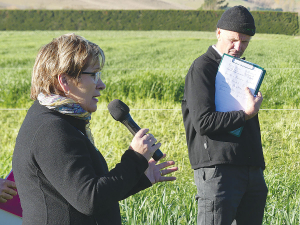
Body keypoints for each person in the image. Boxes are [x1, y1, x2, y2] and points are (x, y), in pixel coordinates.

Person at [12, 33, 178, 225]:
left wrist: (140, 176)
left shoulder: (60, 120)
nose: (101, 84)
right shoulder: (51, 130)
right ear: (64, 81)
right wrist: (134, 158)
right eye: (94, 75)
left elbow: (90, 193)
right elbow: (90, 200)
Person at [181, 5, 268, 225]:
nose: (238, 47)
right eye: (233, 39)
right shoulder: (202, 68)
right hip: (217, 171)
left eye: (245, 41)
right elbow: (203, 122)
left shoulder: (244, 70)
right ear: (218, 32)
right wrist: (245, 114)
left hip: (251, 170)